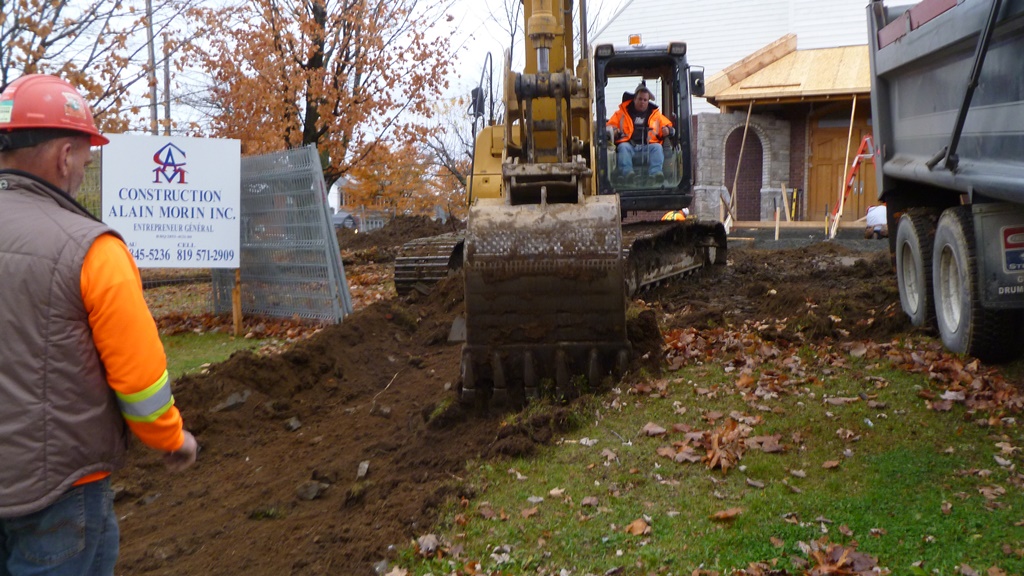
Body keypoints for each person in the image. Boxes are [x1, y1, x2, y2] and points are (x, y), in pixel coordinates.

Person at [0, 74, 198, 575]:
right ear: (65, 156)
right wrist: (170, 438)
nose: (82, 171)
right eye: (86, 161)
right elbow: (139, 381)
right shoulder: (93, 249)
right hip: (61, 491)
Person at [607, 83, 674, 183]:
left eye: (645, 100)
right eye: (640, 99)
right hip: (629, 146)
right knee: (623, 147)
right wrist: (614, 131)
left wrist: (668, 130)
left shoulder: (655, 115)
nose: (642, 102)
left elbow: (669, 127)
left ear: (648, 101)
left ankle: (656, 174)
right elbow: (609, 127)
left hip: (647, 147)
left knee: (657, 147)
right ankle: (628, 175)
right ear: (634, 99)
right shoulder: (621, 113)